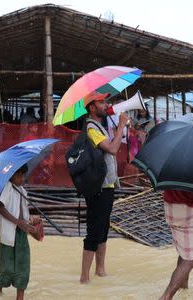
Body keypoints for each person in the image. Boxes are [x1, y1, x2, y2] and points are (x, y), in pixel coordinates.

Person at [79, 98, 130, 284]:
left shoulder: (99, 127)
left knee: (103, 228)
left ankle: (100, 270)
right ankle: (84, 277)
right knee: (94, 230)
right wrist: (121, 126)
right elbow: (113, 149)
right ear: (92, 107)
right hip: (98, 187)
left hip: (107, 185)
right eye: (101, 103)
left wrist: (119, 128)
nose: (106, 105)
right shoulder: (91, 128)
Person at [0, 164, 40, 300]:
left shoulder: (22, 191)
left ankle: (20, 297)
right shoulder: (6, 188)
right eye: (19, 175)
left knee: (23, 265)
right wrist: (19, 222)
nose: (22, 178)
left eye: (23, 175)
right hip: (8, 234)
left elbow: (22, 212)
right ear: (10, 175)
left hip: (21, 234)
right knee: (6, 267)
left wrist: (30, 221)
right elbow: (0, 207)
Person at [160, 190, 193, 300]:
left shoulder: (172, 171)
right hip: (185, 211)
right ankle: (166, 297)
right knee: (190, 260)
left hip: (170, 207)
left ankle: (183, 288)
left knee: (184, 253)